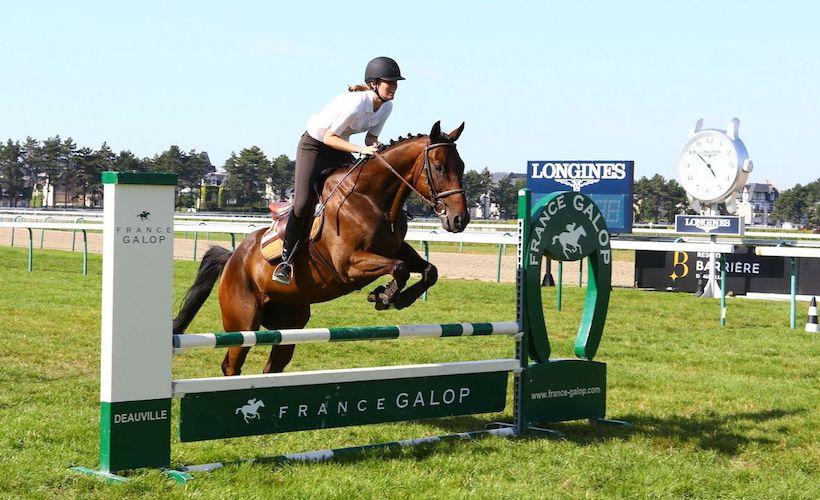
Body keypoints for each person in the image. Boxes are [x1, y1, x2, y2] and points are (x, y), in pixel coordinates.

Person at [272, 56, 405, 284]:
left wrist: (378, 148)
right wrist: (361, 149)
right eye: (389, 82)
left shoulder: (387, 107)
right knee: (303, 203)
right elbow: (328, 137)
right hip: (314, 146)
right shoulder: (356, 103)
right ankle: (286, 261)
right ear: (374, 83)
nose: (394, 86)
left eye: (395, 82)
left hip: (338, 147)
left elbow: (371, 138)